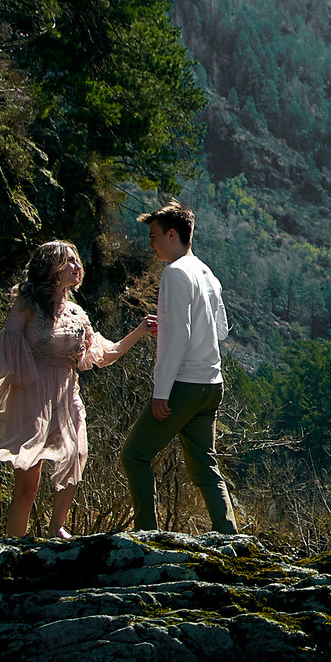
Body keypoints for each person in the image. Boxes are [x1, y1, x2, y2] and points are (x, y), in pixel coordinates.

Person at [0, 238, 152, 539]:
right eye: (69, 261)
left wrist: (139, 331)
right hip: (31, 397)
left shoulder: (77, 313)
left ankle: (56, 527)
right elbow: (3, 352)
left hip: (67, 396)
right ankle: (14, 546)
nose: (78, 266)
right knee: (27, 486)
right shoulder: (27, 305)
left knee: (77, 455)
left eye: (77, 260)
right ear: (52, 268)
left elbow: (105, 354)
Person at [122, 202, 239, 533]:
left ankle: (147, 534)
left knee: (135, 455)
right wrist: (172, 324)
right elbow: (220, 330)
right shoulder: (205, 272)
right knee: (205, 466)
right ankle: (229, 537)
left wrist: (161, 391)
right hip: (211, 385)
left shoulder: (174, 273)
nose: (151, 243)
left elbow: (180, 337)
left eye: (154, 236)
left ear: (172, 235)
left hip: (183, 386)